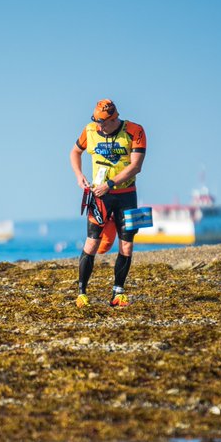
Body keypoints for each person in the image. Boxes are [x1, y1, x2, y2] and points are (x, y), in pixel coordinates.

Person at [69, 98, 147, 307]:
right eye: (96, 121)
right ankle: (81, 293)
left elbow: (136, 166)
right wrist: (79, 175)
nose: (99, 126)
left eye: (102, 122)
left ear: (114, 118)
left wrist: (111, 184)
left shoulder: (135, 130)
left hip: (127, 195)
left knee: (127, 245)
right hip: (99, 196)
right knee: (92, 242)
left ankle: (118, 293)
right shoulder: (90, 130)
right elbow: (75, 152)